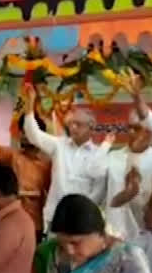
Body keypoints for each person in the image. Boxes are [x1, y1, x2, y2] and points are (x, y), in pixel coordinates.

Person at [22, 87, 113, 230]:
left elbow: (98, 191)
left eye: (79, 124)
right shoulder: (59, 145)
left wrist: (82, 212)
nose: (73, 128)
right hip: (55, 216)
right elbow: (34, 135)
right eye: (71, 124)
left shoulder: (99, 155)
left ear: (91, 128)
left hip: (82, 220)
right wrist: (29, 105)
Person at [0, 114, 52, 240]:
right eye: (22, 131)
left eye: (28, 132)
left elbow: (51, 192)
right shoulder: (13, 156)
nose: (24, 136)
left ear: (39, 135)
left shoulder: (47, 164)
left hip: (34, 222)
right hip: (9, 219)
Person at [105, 111, 152, 240]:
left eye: (137, 128)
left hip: (143, 233)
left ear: (150, 132)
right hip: (113, 231)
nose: (132, 133)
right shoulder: (112, 157)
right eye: (130, 127)